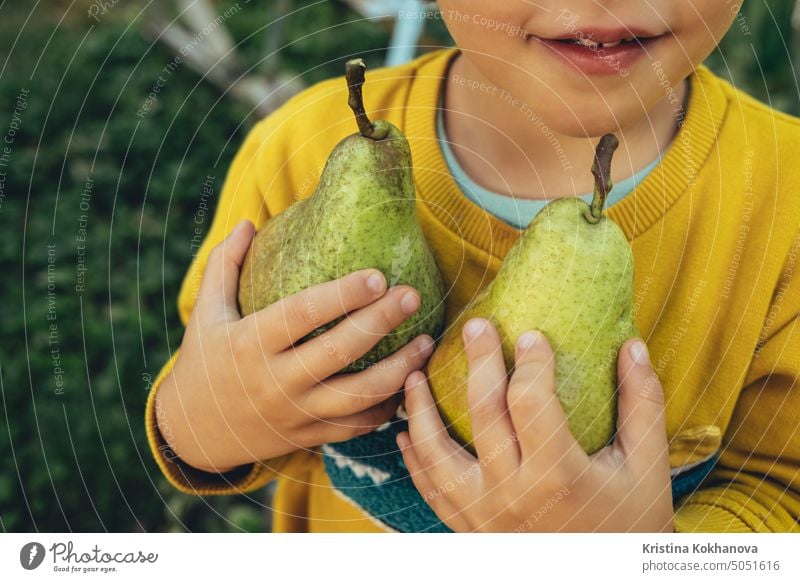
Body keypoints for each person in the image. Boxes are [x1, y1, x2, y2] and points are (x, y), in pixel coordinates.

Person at [146, 2, 800, 532]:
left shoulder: (785, 203)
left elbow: (781, 487)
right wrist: (198, 427)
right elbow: (213, 372)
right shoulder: (298, 149)